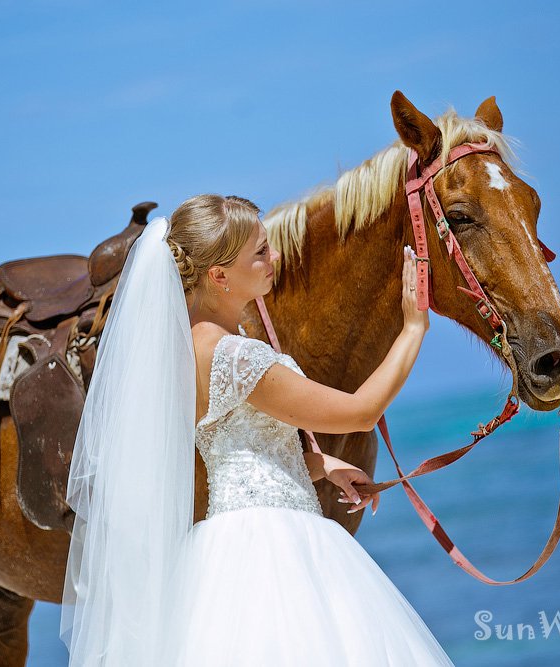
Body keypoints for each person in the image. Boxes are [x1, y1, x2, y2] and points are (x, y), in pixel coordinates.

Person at [59, 194, 454, 666]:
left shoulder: (192, 347)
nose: (276, 258)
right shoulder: (234, 355)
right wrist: (412, 329)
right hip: (272, 548)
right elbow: (359, 413)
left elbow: (236, 450)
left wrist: (320, 464)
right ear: (219, 276)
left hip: (229, 545)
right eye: (261, 253)